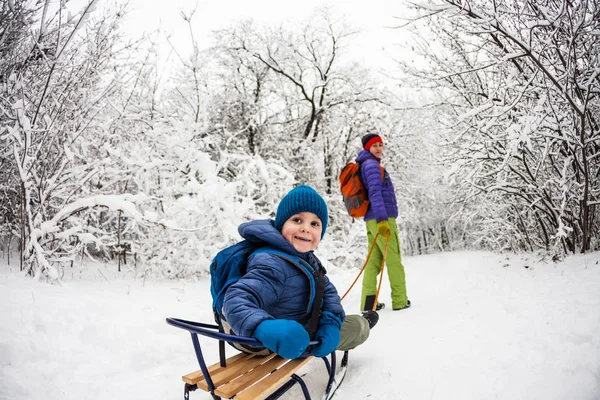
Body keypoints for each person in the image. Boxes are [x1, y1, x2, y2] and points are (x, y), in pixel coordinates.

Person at [222, 185, 378, 360]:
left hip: (303, 329)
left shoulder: (306, 261)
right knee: (356, 327)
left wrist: (331, 324)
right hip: (269, 340)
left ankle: (359, 323)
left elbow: (329, 294)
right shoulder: (271, 263)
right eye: (297, 220)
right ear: (281, 225)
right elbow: (236, 299)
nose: (306, 228)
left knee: (348, 325)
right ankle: (364, 322)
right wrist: (265, 327)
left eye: (314, 224)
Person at [356, 133, 410, 312]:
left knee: (373, 262)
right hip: (381, 218)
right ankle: (400, 300)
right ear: (367, 148)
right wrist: (382, 220)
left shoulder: (367, 164)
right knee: (394, 258)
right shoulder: (371, 165)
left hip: (372, 219)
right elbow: (375, 193)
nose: (379, 148)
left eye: (380, 144)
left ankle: (368, 303)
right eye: (374, 145)